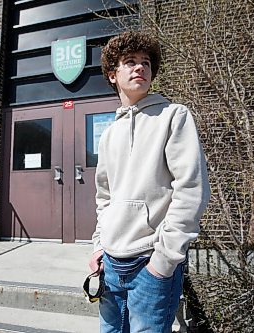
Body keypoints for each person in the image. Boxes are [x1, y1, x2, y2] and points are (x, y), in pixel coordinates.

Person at [88, 31, 211, 333]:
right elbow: (104, 197)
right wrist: (98, 246)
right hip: (111, 264)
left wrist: (164, 260)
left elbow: (192, 189)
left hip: (150, 263)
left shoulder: (174, 116)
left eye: (145, 62)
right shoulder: (109, 134)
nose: (139, 67)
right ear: (112, 74)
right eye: (129, 62)